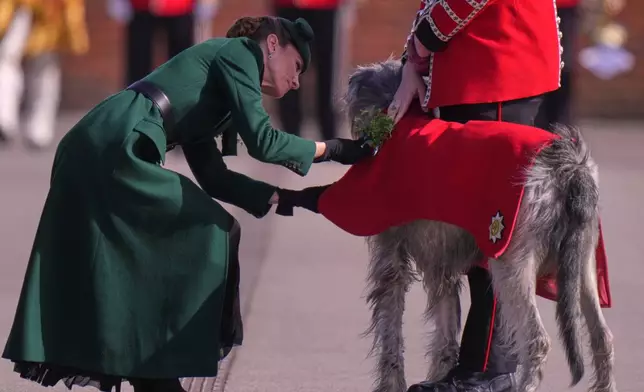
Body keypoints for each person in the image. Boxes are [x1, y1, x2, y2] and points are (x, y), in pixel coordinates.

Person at [2, 16, 372, 392]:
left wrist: (293, 199)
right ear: (273, 44)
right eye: (297, 67)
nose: (297, 81)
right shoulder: (240, 53)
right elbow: (263, 141)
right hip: (113, 143)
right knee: (209, 230)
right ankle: (157, 370)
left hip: (111, 143)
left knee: (152, 252)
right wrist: (334, 150)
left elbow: (214, 178)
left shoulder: (223, 87)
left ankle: (152, 372)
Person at [387, 1, 562, 391]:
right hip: (475, 69)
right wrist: (414, 61)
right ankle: (477, 364)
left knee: (495, 231)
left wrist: (422, 43)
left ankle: (493, 369)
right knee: (474, 228)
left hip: (498, 67)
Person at [0, 0, 89, 149]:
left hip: (51, 9)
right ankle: (4, 118)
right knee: (7, 59)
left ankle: (38, 128)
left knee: (44, 68)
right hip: (19, 8)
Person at [270, 0, 345, 140]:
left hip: (324, 5)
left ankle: (329, 132)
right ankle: (289, 134)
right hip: (288, 5)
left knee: (327, 68)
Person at [106, 0, 219, 87]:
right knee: (138, 64)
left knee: (182, 66)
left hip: (180, 7)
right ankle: (136, 107)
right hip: (141, 7)